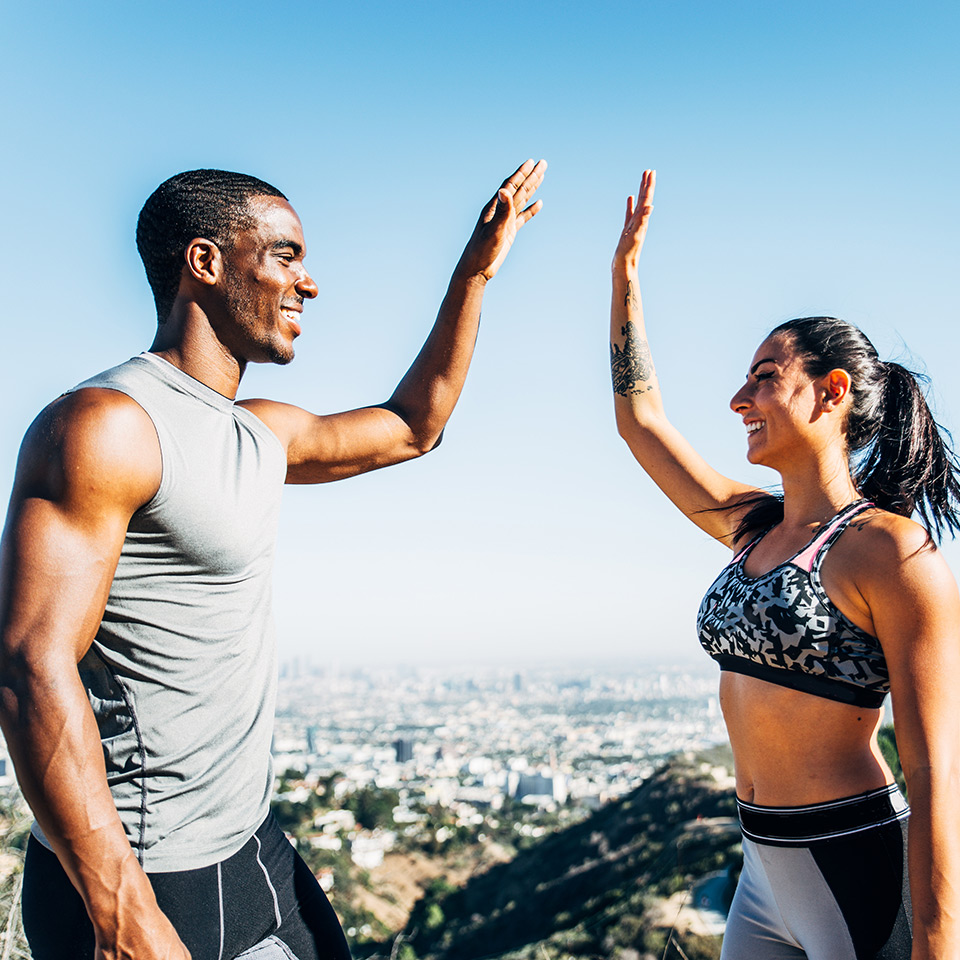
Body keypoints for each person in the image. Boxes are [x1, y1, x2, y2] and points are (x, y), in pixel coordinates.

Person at [0, 159, 546, 960]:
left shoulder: (259, 433)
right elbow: (28, 664)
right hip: (143, 877)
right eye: (285, 255)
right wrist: (122, 912)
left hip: (251, 844)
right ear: (206, 263)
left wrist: (475, 273)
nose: (309, 284)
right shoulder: (105, 426)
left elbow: (412, 425)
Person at [610, 170, 960, 959]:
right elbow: (640, 421)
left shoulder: (894, 553)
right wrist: (625, 279)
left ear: (831, 392)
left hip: (856, 866)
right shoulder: (750, 526)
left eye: (765, 377)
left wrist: (938, 945)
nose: (739, 398)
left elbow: (938, 772)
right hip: (761, 868)